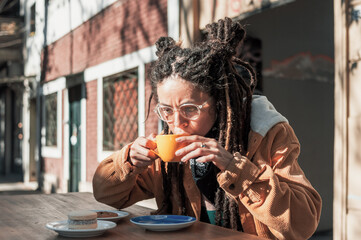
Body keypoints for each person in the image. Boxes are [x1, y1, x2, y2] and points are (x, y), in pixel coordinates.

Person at [92, 17, 322, 239]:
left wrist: (234, 167)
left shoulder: (267, 133)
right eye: (167, 111)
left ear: (218, 103)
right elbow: (106, 195)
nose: (177, 123)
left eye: (189, 109)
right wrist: (128, 160)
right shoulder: (165, 151)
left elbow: (303, 224)